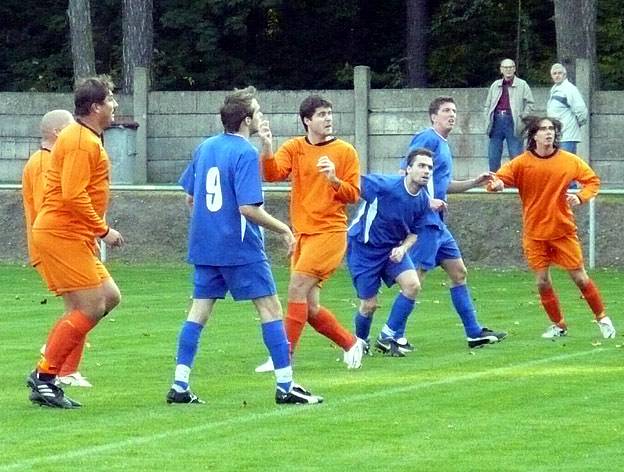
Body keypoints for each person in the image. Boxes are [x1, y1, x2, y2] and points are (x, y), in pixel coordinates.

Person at [167, 87, 323, 405]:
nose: (262, 117)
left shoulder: (205, 147)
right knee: (270, 309)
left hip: (206, 245)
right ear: (247, 120)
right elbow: (247, 208)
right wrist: (284, 229)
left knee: (198, 310)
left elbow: (190, 197)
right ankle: (285, 385)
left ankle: (180, 384)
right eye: (259, 112)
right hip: (239, 247)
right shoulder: (244, 153)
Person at [25, 76, 125, 408]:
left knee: (109, 297)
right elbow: (72, 194)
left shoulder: (83, 137)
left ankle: (49, 370)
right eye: (110, 99)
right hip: (61, 233)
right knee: (91, 306)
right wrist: (103, 230)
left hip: (70, 233)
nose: (114, 105)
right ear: (96, 107)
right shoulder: (82, 142)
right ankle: (46, 375)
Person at [254, 95, 365, 373]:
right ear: (307, 120)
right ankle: (351, 343)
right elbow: (272, 174)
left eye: (329, 113)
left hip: (330, 233)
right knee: (309, 306)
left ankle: (283, 357)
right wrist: (266, 147)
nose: (328, 119)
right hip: (303, 235)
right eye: (321, 115)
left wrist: (334, 180)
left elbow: (353, 194)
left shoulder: (345, 151)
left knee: (295, 289)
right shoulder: (294, 147)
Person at [389, 96, 507, 354]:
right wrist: (426, 201)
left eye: (454, 111)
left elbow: (444, 186)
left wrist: (474, 182)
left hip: (439, 225)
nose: (451, 115)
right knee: (414, 278)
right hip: (425, 224)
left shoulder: (443, 145)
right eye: (446, 111)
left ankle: (474, 333)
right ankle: (393, 336)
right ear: (433, 116)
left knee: (459, 273)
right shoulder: (427, 138)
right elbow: (404, 175)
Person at [487, 116, 616, 340]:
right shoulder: (522, 163)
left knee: (580, 278)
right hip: (534, 233)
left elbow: (592, 181)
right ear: (533, 135)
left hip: (562, 230)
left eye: (552, 129)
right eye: (543, 129)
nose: (549, 133)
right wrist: (496, 185)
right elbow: (497, 179)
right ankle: (558, 325)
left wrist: (581, 197)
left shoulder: (569, 160)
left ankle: (603, 318)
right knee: (542, 281)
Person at [22, 109, 94, 388]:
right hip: (53, 246)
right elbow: (47, 209)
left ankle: (62, 365)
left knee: (81, 304)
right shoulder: (43, 163)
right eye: (69, 128)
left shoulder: (50, 160)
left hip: (61, 243)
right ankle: (60, 365)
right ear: (56, 133)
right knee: (83, 304)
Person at [349, 149, 434, 356]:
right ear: (408, 169)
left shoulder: (423, 200)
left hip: (392, 250)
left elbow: (415, 233)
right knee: (369, 305)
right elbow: (352, 186)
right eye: (421, 166)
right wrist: (333, 178)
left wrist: (403, 248)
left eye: (430, 167)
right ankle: (360, 342)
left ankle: (387, 336)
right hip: (363, 249)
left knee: (413, 285)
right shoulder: (384, 185)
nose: (426, 171)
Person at [483, 58, 535, 172]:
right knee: (493, 154)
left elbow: (530, 103)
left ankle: (517, 181)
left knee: (516, 154)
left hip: (513, 121)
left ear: (515, 69)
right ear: (501, 70)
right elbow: (487, 105)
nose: (508, 70)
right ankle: (494, 180)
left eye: (511, 67)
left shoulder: (522, 84)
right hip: (496, 121)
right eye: (505, 67)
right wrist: (487, 118)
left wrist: (522, 117)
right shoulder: (495, 85)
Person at [547, 63, 588, 154]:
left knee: (567, 165)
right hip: (558, 134)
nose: (557, 75)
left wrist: (575, 125)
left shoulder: (570, 89)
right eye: (554, 73)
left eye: (559, 73)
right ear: (551, 76)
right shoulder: (554, 89)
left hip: (568, 135)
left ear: (564, 75)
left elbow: (581, 110)